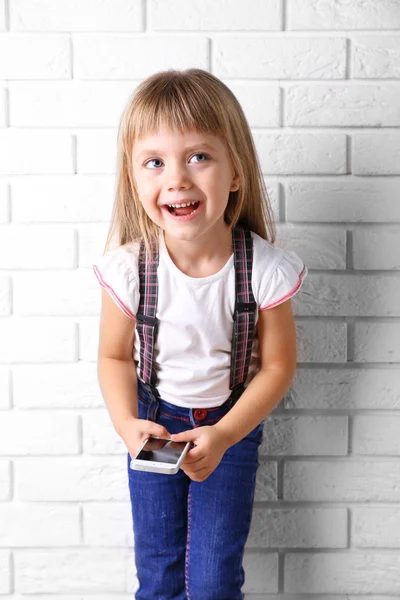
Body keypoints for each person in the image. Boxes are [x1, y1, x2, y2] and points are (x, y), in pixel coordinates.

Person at [93, 68, 308, 600]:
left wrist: (226, 433)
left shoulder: (264, 268)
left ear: (235, 171)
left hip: (228, 425)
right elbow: (114, 357)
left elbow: (277, 365)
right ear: (134, 179)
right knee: (159, 571)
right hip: (154, 424)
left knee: (213, 577)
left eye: (199, 157)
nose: (178, 179)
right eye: (155, 162)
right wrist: (127, 425)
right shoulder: (127, 268)